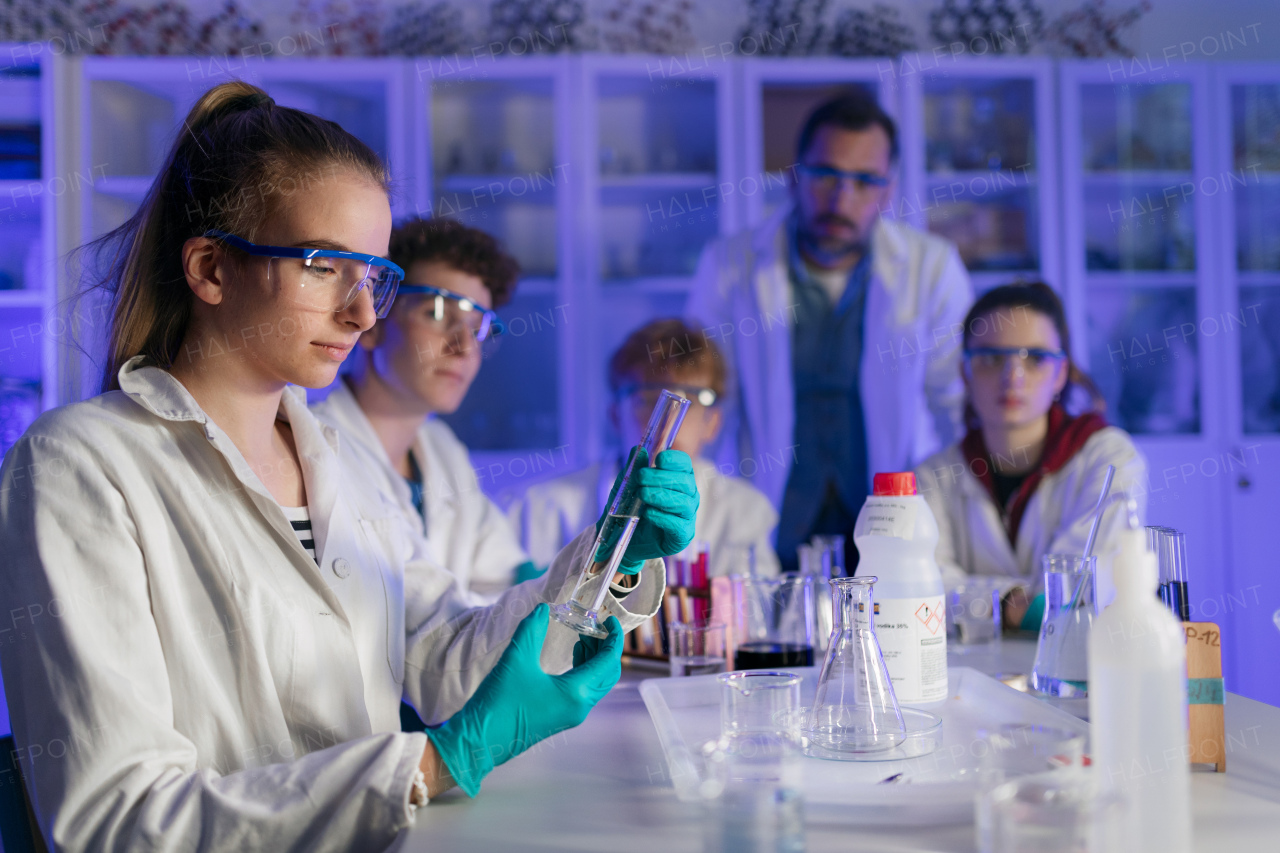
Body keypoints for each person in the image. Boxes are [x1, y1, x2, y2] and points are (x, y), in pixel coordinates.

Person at [0, 82, 697, 852]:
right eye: (324, 266)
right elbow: (117, 821)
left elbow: (444, 658)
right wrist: (429, 764)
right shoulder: (79, 467)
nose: (363, 315)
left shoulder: (340, 463)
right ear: (210, 268)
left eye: (372, 276)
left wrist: (608, 554)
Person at [686, 88, 973, 572]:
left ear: (888, 190)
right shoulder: (730, 265)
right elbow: (705, 405)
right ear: (794, 178)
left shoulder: (931, 268)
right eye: (826, 176)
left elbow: (957, 409)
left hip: (890, 521)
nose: (842, 198)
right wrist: (701, 525)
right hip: (771, 519)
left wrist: (961, 532)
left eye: (864, 181)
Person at [312, 217, 539, 605]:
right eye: (436, 313)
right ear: (373, 320)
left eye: (477, 326)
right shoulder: (313, 448)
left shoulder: (443, 450)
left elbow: (510, 580)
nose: (464, 347)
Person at [913, 282, 1148, 631]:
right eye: (992, 358)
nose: (1012, 377)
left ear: (1060, 375)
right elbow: (918, 590)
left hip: (1080, 673)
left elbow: (1080, 592)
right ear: (965, 373)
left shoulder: (1109, 459)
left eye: (1035, 359)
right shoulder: (933, 476)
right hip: (971, 676)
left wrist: (976, 602)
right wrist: (1011, 603)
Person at [503, 318, 781, 579]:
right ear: (614, 415)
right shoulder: (539, 509)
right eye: (647, 399)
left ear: (713, 423)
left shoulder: (745, 512)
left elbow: (757, 616)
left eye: (692, 401)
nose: (669, 420)